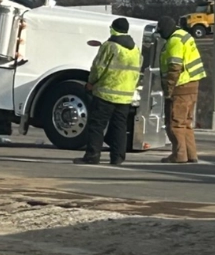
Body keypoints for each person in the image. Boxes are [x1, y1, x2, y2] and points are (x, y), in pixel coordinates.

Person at [78, 17, 141, 165]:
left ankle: (93, 155)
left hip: (106, 92)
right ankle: (118, 157)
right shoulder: (135, 49)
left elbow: (98, 68)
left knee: (97, 125)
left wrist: (90, 83)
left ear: (114, 29)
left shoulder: (109, 46)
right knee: (119, 127)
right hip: (125, 96)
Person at [156, 16, 206, 163]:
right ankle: (191, 154)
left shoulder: (174, 41)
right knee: (186, 122)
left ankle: (179, 155)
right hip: (193, 83)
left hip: (180, 85)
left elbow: (174, 67)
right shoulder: (185, 35)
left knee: (175, 122)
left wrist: (168, 90)